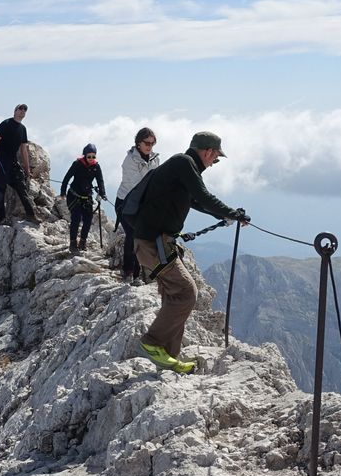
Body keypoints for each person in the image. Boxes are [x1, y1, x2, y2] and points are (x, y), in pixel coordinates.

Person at [133, 131, 250, 374]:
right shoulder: (184, 163)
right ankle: (152, 343)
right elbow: (202, 196)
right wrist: (233, 214)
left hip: (154, 242)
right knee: (186, 293)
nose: (213, 163)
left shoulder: (182, 167)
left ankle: (169, 358)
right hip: (154, 244)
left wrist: (225, 214)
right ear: (208, 151)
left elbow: (194, 201)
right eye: (215, 158)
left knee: (172, 293)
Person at [114, 127, 159, 282]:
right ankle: (129, 272)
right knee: (133, 235)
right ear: (138, 143)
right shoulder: (130, 161)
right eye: (147, 143)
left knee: (140, 236)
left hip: (142, 205)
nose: (150, 146)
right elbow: (137, 185)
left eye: (152, 144)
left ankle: (137, 273)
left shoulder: (154, 159)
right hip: (125, 204)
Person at [0, 104, 37, 224]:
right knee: (0, 191)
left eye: (24, 110)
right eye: (20, 109)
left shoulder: (23, 129)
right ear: (15, 111)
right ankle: (0, 219)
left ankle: (31, 215)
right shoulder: (6, 124)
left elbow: (23, 150)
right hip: (0, 161)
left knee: (22, 188)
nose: (22, 112)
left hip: (13, 162)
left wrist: (27, 170)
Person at [59, 143, 107, 254]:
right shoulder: (77, 164)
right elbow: (67, 178)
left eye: (93, 156)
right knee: (75, 219)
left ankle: (82, 242)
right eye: (89, 156)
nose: (91, 159)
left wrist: (102, 193)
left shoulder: (96, 166)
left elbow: (100, 181)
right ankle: (72, 243)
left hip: (86, 196)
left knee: (88, 220)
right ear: (84, 155)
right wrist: (62, 192)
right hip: (74, 195)